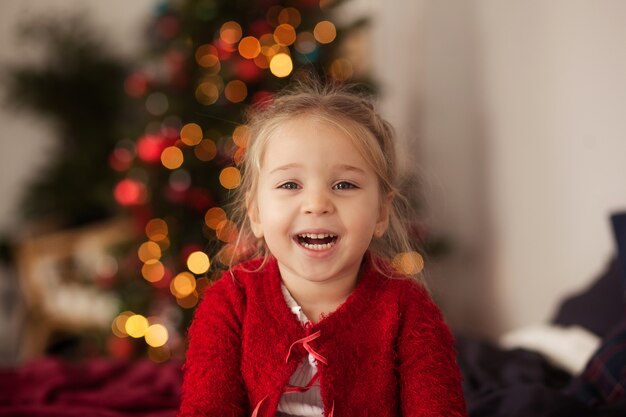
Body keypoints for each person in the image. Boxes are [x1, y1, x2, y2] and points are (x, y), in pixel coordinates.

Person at [177, 78, 468, 417]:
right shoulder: (229, 302)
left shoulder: (409, 311)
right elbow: (207, 409)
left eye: (344, 184)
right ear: (256, 214)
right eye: (290, 184)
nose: (316, 204)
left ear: (381, 213)